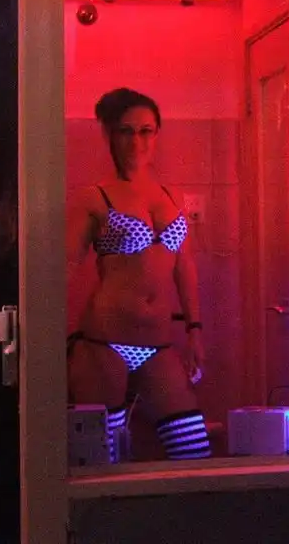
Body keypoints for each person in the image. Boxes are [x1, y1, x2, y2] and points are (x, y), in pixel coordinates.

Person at [67, 87, 210, 462]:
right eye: (126, 131)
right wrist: (50, 340)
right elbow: (63, 267)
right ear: (110, 135)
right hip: (105, 340)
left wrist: (194, 329)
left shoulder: (171, 196)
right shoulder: (95, 197)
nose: (137, 141)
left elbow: (184, 265)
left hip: (158, 342)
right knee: (101, 459)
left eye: (146, 131)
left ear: (157, 134)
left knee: (192, 448)